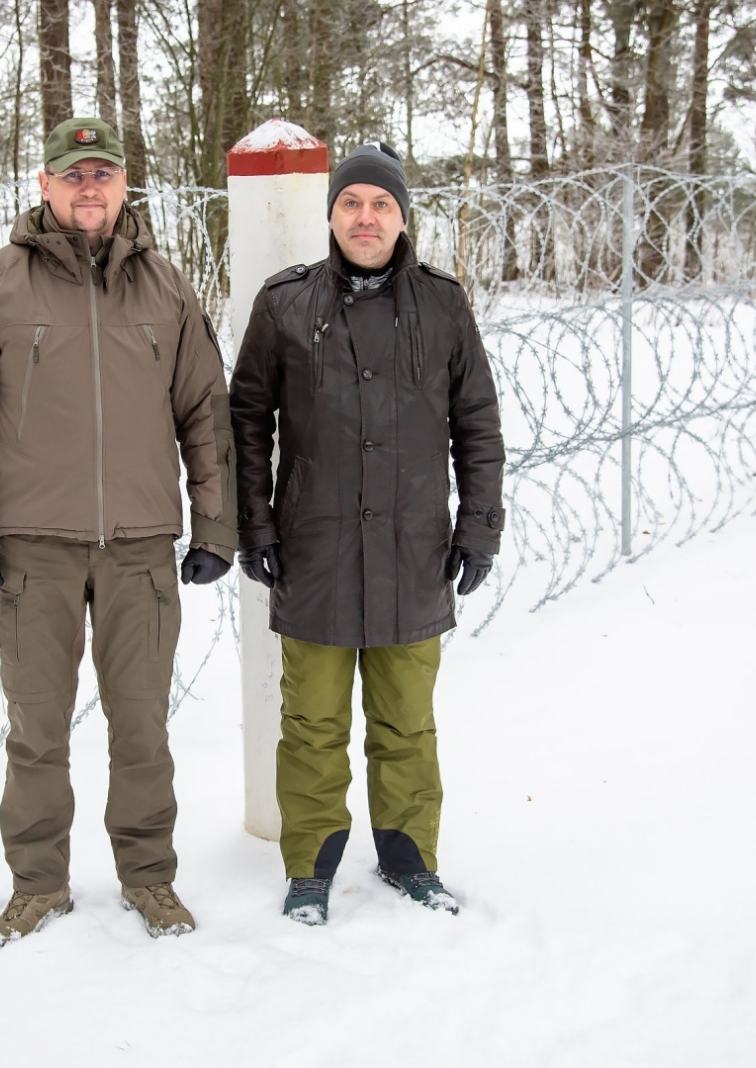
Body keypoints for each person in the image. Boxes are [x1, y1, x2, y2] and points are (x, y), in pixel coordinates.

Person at [0, 117, 237, 948]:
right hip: (34, 551)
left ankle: (149, 880)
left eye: (103, 174)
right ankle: (38, 886)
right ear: (45, 185)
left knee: (142, 729)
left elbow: (206, 412)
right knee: (37, 730)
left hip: (140, 547)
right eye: (73, 175)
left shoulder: (166, 288)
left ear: (124, 184)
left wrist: (215, 523)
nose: (88, 188)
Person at [228, 142, 505, 925]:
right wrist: (257, 523)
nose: (366, 217)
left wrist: (477, 527)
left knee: (406, 720)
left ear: (402, 217)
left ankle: (409, 856)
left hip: (414, 550)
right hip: (314, 551)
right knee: (311, 721)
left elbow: (477, 424)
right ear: (331, 216)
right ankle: (310, 867)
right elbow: (246, 420)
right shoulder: (285, 305)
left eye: (381, 204)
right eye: (352, 202)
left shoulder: (444, 306)